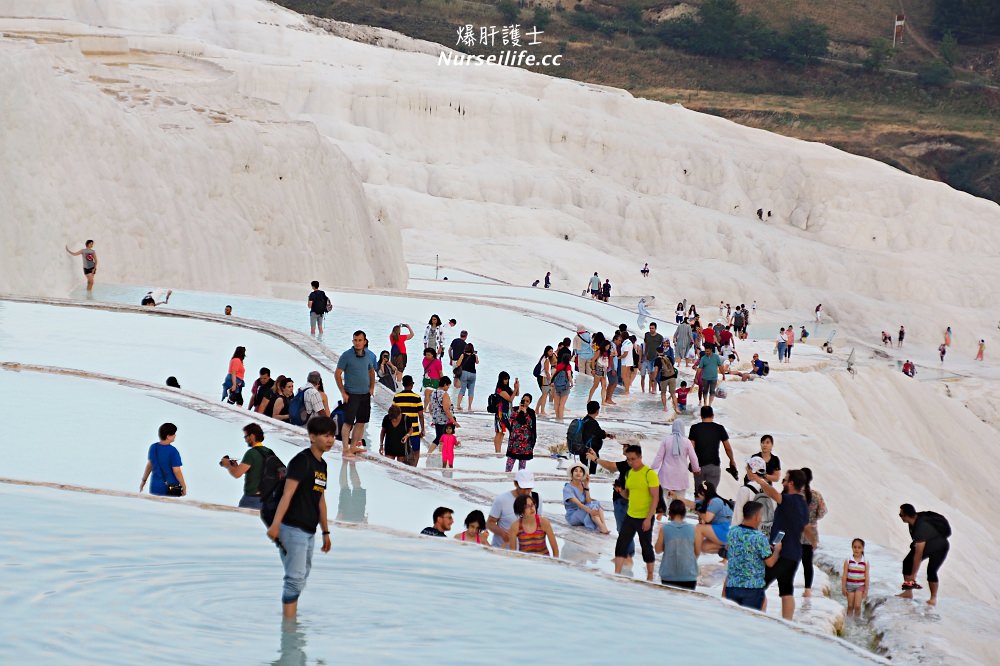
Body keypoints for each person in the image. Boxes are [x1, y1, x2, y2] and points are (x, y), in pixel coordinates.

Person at [265, 416, 335, 618]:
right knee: (295, 579)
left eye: (332, 436)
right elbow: (287, 493)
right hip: (292, 527)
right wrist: (276, 525)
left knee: (301, 577)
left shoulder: (322, 466)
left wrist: (326, 532)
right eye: (325, 435)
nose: (330, 440)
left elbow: (320, 498)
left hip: (309, 530)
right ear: (312, 437)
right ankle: (289, 626)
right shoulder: (301, 461)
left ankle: (290, 617)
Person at [750, 468, 810, 620]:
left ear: (790, 483)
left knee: (758, 585)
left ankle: (756, 619)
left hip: (782, 554)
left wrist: (760, 481)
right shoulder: (802, 504)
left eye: (785, 479)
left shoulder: (790, 500)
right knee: (786, 591)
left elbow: (774, 494)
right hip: (794, 554)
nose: (782, 481)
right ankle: (787, 624)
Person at [613, 445, 659, 581]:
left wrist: (648, 518)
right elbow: (628, 495)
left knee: (646, 546)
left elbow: (655, 497)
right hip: (631, 514)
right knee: (621, 543)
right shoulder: (629, 473)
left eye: (633, 459)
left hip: (645, 516)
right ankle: (616, 573)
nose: (631, 462)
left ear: (640, 457)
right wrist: (620, 491)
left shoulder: (649, 474)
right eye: (628, 459)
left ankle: (650, 575)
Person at [724, 501, 782, 610]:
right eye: (761, 515)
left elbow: (731, 548)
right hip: (752, 588)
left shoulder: (732, 532)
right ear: (756, 516)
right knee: (749, 623)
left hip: (732, 586)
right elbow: (770, 563)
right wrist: (777, 550)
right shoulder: (759, 537)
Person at [898, 503, 950, 606]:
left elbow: (918, 555)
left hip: (940, 547)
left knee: (931, 571)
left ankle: (933, 598)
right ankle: (908, 592)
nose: (900, 516)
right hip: (929, 543)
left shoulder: (921, 527)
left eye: (901, 514)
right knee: (907, 562)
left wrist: (913, 575)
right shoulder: (912, 522)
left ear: (907, 515)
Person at [335, 330, 377, 457]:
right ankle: (345, 449)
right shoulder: (346, 355)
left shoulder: (369, 356)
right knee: (348, 422)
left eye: (360, 340)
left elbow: (371, 372)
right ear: (353, 341)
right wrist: (343, 392)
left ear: (365, 341)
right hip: (351, 394)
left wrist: (372, 388)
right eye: (355, 340)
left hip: (365, 394)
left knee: (361, 421)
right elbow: (337, 373)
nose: (357, 343)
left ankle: (353, 447)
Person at [220, 423, 274, 509]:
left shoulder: (251, 453)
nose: (245, 440)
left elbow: (237, 474)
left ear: (252, 436)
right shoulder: (269, 452)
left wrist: (227, 465)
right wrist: (236, 467)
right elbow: (259, 472)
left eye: (246, 436)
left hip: (252, 499)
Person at [688, 406, 737, 492]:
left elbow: (691, 449)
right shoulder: (719, 428)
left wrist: (692, 464)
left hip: (699, 467)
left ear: (701, 416)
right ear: (713, 415)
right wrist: (732, 461)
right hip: (714, 466)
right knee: (711, 495)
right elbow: (728, 448)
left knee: (699, 495)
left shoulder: (694, 428)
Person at [487, 470, 539, 548]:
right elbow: (490, 523)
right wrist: (502, 533)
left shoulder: (536, 498)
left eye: (529, 488)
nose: (527, 492)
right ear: (515, 483)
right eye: (523, 488)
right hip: (502, 551)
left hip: (526, 552)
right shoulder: (501, 500)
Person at [656, 499, 700, 590]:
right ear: (684, 513)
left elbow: (657, 550)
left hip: (668, 574)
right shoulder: (694, 529)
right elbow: (697, 552)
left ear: (670, 513)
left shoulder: (664, 529)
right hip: (689, 575)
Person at [651, 421, 700, 500]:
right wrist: (696, 469)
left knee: (666, 500)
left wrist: (652, 468)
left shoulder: (666, 440)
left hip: (666, 475)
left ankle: (667, 512)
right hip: (681, 476)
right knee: (680, 501)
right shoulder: (687, 442)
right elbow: (693, 457)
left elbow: (659, 456)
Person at [800, 467, 827, 598]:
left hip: (796, 532)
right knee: (807, 562)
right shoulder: (816, 495)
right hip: (811, 534)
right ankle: (807, 589)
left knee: (791, 561)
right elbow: (822, 512)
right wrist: (813, 520)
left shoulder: (795, 495)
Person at [140, 422, 187, 497]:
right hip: (170, 487)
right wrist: (184, 486)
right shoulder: (173, 451)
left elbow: (149, 465)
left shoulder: (153, 447)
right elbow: (176, 470)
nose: (175, 435)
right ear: (168, 436)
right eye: (174, 434)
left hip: (155, 486)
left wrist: (144, 481)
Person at [563, 462, 609, 533]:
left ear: (583, 475)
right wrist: (591, 511)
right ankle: (601, 526)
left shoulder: (582, 485)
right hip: (573, 515)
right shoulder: (567, 488)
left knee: (596, 503)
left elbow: (588, 502)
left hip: (584, 511)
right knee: (592, 506)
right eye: (576, 471)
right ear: (572, 473)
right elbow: (579, 504)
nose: (578, 473)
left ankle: (603, 526)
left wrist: (586, 485)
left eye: (581, 471)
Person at [392, 376, 425, 466]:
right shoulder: (417, 398)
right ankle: (413, 469)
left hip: (400, 431)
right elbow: (421, 415)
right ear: (411, 384)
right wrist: (422, 429)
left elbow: (393, 414)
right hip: (414, 430)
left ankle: (402, 470)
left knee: (401, 452)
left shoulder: (397, 397)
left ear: (403, 384)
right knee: (416, 451)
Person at [693, 481, 732, 556]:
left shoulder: (715, 501)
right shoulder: (708, 501)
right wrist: (676, 497)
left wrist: (698, 512)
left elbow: (707, 518)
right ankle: (727, 550)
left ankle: (694, 557)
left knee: (699, 528)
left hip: (725, 529)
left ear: (703, 493)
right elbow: (693, 504)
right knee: (703, 547)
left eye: (699, 492)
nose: (698, 494)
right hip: (723, 529)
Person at [577, 400, 615, 474]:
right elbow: (600, 434)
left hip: (582, 446)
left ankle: (583, 475)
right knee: (593, 464)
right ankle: (591, 476)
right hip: (591, 449)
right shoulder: (593, 423)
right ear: (597, 411)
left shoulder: (585, 420)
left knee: (583, 465)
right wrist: (607, 435)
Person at [730, 456, 769, 528]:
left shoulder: (745, 489)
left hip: (748, 533)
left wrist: (733, 531)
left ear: (752, 470)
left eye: (748, 467)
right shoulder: (769, 489)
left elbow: (738, 515)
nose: (746, 469)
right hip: (764, 532)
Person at [505, 394, 537, 472]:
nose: (525, 402)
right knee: (510, 462)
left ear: (529, 403)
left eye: (527, 401)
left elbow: (531, 424)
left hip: (525, 443)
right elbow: (510, 420)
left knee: (522, 466)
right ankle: (506, 479)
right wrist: (519, 411)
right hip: (514, 441)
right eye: (524, 400)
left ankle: (520, 481)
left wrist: (525, 413)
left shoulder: (531, 412)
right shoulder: (515, 409)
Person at [427, 376, 457, 456]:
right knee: (440, 438)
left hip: (436, 418)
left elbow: (430, 407)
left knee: (440, 437)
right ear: (444, 384)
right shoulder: (444, 394)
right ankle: (430, 453)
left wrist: (433, 415)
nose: (448, 388)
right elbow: (446, 409)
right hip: (443, 419)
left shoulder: (433, 392)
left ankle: (440, 454)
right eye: (448, 386)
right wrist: (454, 421)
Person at [492, 372, 519, 454]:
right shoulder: (499, 389)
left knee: (502, 432)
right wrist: (515, 390)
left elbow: (516, 394)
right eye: (505, 379)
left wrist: (516, 387)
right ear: (501, 379)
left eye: (507, 379)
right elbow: (510, 399)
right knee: (499, 432)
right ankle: (497, 451)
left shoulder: (507, 388)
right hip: (500, 413)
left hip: (507, 413)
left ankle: (498, 451)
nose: (506, 381)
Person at [841, 538, 869, 617]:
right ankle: (849, 622)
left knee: (857, 606)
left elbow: (867, 577)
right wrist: (843, 587)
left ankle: (857, 622)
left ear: (862, 548)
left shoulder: (865, 561)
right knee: (850, 606)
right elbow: (844, 575)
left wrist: (866, 590)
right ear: (852, 547)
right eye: (855, 547)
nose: (856, 549)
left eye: (859, 547)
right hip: (849, 586)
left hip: (860, 586)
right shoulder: (848, 560)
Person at [551, 350, 573, 421]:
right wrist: (571, 383)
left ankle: (557, 418)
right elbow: (569, 375)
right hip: (565, 387)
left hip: (557, 387)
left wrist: (551, 382)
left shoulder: (559, 365)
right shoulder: (568, 366)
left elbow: (554, 374)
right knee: (562, 405)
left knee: (556, 404)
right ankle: (560, 419)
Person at [456, 343, 479, 411]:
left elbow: (458, 364)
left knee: (462, 389)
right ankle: (469, 407)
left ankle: (458, 405)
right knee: (471, 390)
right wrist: (474, 355)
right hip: (473, 374)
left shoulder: (462, 355)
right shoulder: (475, 356)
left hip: (464, 373)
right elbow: (477, 362)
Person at [534, 346, 555, 416]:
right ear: (547, 351)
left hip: (541, 377)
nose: (551, 353)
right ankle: (542, 410)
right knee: (545, 395)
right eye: (550, 351)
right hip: (543, 378)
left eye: (552, 351)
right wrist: (550, 380)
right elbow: (546, 371)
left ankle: (537, 409)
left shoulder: (543, 358)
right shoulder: (546, 359)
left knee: (544, 394)